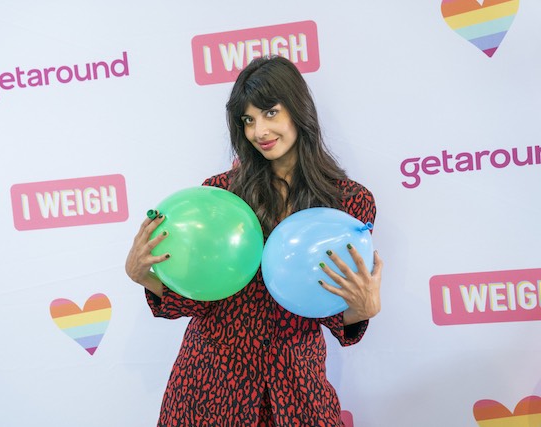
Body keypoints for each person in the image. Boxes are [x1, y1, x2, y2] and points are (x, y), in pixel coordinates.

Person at [125, 55, 383, 427]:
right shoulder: (219, 196)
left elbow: (332, 305)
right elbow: (199, 297)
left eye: (270, 112)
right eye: (247, 120)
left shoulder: (348, 203)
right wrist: (144, 276)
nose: (259, 130)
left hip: (295, 386)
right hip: (212, 383)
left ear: (298, 110)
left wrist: (364, 308)